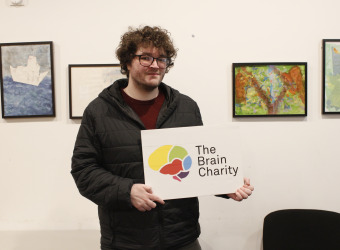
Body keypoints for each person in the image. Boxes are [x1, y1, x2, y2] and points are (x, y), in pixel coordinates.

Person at [71, 25, 254, 250]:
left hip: (181, 238)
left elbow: (197, 163)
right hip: (125, 241)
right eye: (145, 57)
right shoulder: (99, 111)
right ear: (127, 61)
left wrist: (225, 184)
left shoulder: (186, 107)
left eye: (162, 59)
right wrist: (126, 191)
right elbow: (83, 170)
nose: (155, 65)